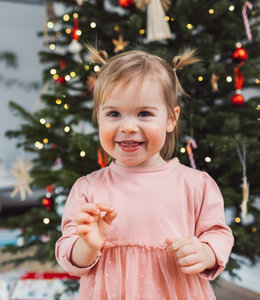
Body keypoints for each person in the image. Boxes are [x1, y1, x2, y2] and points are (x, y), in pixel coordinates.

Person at [55, 46, 234, 299]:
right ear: (99, 116)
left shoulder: (196, 184)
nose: (128, 127)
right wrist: (87, 245)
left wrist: (205, 252)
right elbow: (69, 255)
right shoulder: (87, 189)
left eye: (144, 114)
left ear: (171, 119)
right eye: (114, 114)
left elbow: (218, 233)